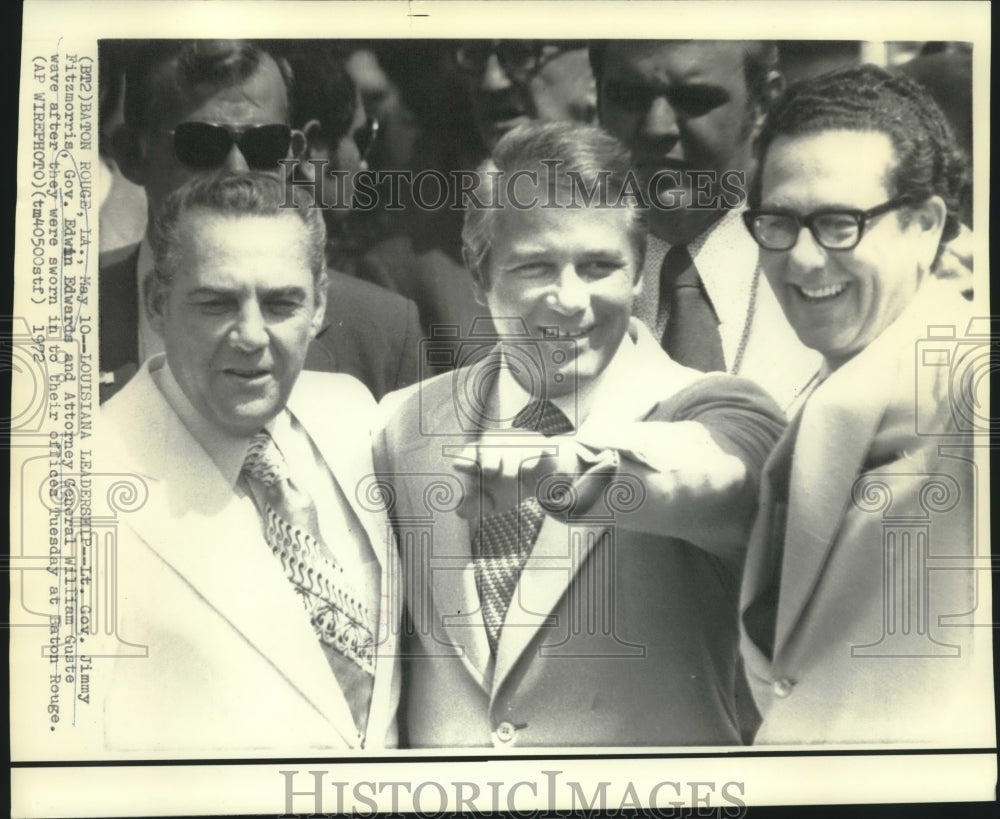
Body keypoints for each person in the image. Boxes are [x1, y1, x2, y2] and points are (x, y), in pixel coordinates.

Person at [376, 122, 785, 747]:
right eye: (536, 266)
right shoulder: (402, 424)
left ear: (639, 272)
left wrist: (569, 474)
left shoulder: (715, 410)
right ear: (479, 273)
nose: (570, 300)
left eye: (598, 266)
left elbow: (712, 472)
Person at [96, 172, 400, 753]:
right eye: (216, 303)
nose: (252, 335)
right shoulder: (78, 488)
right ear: (157, 305)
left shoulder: (355, 417)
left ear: (319, 305)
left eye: (282, 302)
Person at [738, 65, 992, 744]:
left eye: (839, 223)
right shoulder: (829, 386)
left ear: (926, 225)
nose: (805, 259)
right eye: (780, 223)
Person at [99, 39, 421, 402]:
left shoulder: (380, 334)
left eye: (264, 145)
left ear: (292, 156)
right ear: (131, 155)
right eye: (202, 145)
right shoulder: (67, 313)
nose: (237, 172)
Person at [591, 40, 821, 410]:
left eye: (694, 99)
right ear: (598, 102)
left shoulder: (841, 266)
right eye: (629, 97)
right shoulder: (545, 277)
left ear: (764, 103)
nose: (657, 128)